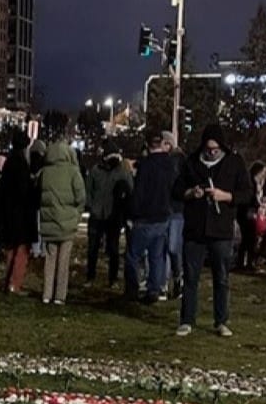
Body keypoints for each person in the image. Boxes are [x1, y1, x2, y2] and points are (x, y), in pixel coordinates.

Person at [173, 124, 254, 337]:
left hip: (221, 229)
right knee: (191, 277)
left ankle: (221, 321)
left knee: (222, 277)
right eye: (208, 149)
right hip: (195, 229)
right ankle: (187, 319)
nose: (211, 153)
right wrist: (191, 193)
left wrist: (225, 196)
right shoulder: (191, 162)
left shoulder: (234, 163)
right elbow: (176, 189)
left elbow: (247, 193)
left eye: (215, 149)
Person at [36, 113, 85, 305]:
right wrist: (76, 214)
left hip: (49, 221)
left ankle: (46, 294)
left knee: (50, 260)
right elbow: (81, 196)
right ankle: (59, 296)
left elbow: (39, 193)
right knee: (63, 263)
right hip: (67, 222)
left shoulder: (45, 172)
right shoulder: (73, 172)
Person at [127, 130, 177, 302]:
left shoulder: (146, 165)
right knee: (157, 255)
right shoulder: (170, 164)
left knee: (133, 255)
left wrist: (132, 213)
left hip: (145, 216)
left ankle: (132, 288)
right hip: (163, 215)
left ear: (148, 145)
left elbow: (139, 192)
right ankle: (155, 288)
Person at [0, 130, 39, 293]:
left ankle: (9, 282)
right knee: (21, 251)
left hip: (9, 214)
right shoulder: (21, 164)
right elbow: (23, 192)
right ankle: (15, 283)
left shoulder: (9, 163)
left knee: (11, 250)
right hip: (20, 215)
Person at [85, 139, 132, 287]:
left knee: (113, 249)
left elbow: (130, 191)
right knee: (93, 248)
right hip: (98, 214)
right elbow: (89, 191)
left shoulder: (122, 172)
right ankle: (90, 277)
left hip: (113, 215)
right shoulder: (96, 171)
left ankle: (112, 279)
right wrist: (92, 207)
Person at [161, 131, 187, 299]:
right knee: (163, 248)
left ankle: (178, 277)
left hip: (176, 210)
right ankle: (164, 282)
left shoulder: (179, 161)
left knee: (173, 247)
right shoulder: (163, 162)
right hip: (165, 209)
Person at [234, 160, 266, 272]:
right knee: (249, 239)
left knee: (247, 239)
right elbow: (250, 198)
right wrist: (257, 205)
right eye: (263, 172)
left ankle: (242, 262)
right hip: (247, 213)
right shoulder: (251, 183)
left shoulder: (252, 182)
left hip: (245, 212)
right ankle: (248, 263)